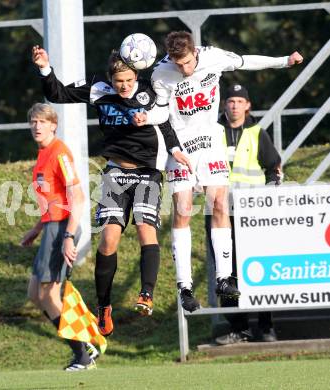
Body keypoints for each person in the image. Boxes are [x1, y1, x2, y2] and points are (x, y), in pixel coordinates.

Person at [132, 31, 303, 312]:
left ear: (194, 53)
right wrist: (146, 117)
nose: (185, 70)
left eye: (188, 63)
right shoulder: (162, 73)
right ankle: (184, 286)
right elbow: (162, 114)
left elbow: (246, 61)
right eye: (179, 65)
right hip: (181, 146)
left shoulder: (213, 57)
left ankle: (224, 278)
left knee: (220, 203)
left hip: (211, 141)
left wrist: (284, 61)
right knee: (184, 208)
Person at [32, 46, 191, 337]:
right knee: (108, 240)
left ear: (136, 75)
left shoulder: (149, 90)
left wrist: (175, 149)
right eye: (120, 81)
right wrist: (45, 68)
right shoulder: (98, 90)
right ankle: (103, 306)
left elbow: (165, 119)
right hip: (116, 171)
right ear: (111, 79)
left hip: (147, 172)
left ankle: (146, 294)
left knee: (145, 228)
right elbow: (58, 94)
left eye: (129, 80)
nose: (125, 86)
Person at [21, 103, 98, 371]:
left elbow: (77, 197)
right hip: (51, 226)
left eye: (42, 121)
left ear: (54, 125)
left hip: (61, 227)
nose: (37, 126)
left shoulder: (59, 152)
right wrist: (36, 228)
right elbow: (52, 200)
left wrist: (67, 236)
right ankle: (85, 346)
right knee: (35, 293)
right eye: (33, 122)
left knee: (47, 294)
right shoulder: (43, 154)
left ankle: (83, 355)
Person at [214, 84, 281, 344]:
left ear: (247, 105)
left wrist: (271, 192)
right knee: (226, 273)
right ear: (224, 105)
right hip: (219, 212)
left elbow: (273, 167)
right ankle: (238, 329)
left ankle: (266, 327)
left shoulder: (256, 132)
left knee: (259, 267)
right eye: (230, 101)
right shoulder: (212, 132)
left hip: (252, 215)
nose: (234, 105)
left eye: (239, 101)